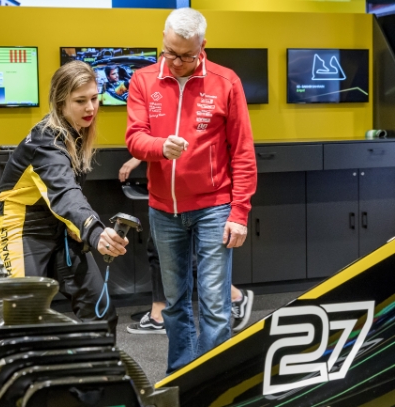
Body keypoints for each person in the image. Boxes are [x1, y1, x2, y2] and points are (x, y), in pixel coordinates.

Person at [125, 8, 257, 373]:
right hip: (163, 210)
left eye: (186, 55)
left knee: (215, 304)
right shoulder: (143, 79)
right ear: (163, 41)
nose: (177, 62)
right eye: (170, 52)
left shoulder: (226, 82)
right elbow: (135, 138)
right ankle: (181, 375)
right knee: (175, 303)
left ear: (202, 46)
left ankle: (212, 382)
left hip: (214, 207)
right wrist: (160, 147)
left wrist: (240, 212)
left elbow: (243, 152)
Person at [0, 60, 129, 335]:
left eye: (94, 98)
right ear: (60, 102)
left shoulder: (77, 133)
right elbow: (65, 192)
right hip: (20, 226)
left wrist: (78, 226)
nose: (90, 108)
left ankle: (95, 364)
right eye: (80, 101)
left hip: (60, 226)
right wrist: (94, 231)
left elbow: (70, 192)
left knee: (100, 312)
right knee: (23, 317)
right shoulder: (45, 141)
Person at [119, 158, 254, 336]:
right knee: (161, 250)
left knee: (174, 254)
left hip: (188, 188)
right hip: (170, 188)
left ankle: (234, 296)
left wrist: (138, 157)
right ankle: (159, 313)